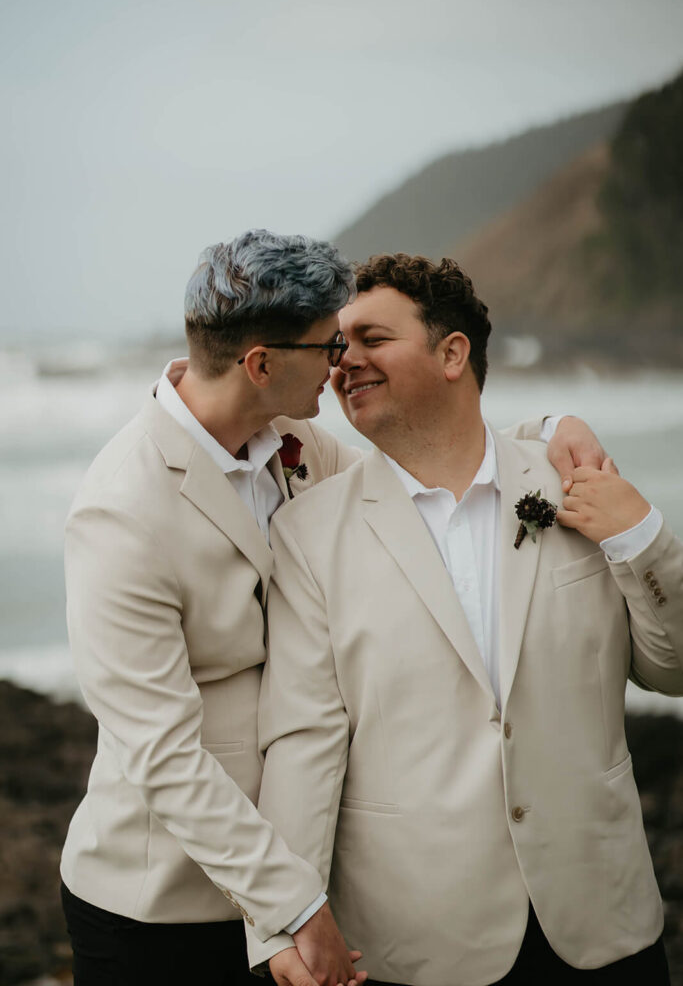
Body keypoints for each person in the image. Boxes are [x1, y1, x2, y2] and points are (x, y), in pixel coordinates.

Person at [59, 230, 604, 986]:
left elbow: (433, 458)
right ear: (261, 364)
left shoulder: (297, 443)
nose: (342, 363)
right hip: (167, 903)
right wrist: (291, 903)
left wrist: (548, 433)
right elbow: (161, 752)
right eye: (326, 346)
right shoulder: (120, 511)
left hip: (297, 879)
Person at [251, 253, 683, 984]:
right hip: (416, 946)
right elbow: (303, 742)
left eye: (371, 339)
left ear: (452, 353)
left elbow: (670, 670)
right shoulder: (307, 533)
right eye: (336, 346)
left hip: (601, 923)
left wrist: (641, 536)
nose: (343, 361)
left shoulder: (574, 483)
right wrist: (284, 921)